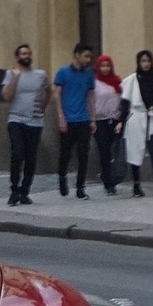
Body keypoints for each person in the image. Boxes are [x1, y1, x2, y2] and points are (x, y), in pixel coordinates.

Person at [0, 43, 49, 206]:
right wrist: (15, 77)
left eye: (28, 53)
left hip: (35, 121)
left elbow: (49, 90)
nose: (26, 56)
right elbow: (6, 96)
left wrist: (43, 105)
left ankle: (25, 191)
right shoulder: (10, 73)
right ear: (17, 57)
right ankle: (14, 190)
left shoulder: (40, 75)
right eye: (23, 54)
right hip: (16, 119)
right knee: (17, 152)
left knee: (30, 157)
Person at [120, 50, 153, 197]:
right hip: (136, 116)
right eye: (143, 61)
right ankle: (136, 185)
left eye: (148, 61)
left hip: (151, 116)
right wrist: (121, 121)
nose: (146, 64)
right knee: (135, 151)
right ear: (138, 62)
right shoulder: (132, 80)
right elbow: (124, 102)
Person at [53, 42, 96, 199]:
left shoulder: (89, 74)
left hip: (83, 119)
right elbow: (57, 94)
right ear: (77, 55)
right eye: (86, 56)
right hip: (68, 119)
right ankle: (62, 176)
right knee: (66, 153)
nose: (88, 59)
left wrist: (93, 119)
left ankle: (80, 188)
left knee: (83, 154)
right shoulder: (63, 72)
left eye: (89, 56)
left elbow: (91, 96)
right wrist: (60, 116)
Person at [92, 54, 124, 195]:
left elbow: (123, 100)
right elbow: (91, 102)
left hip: (115, 120)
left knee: (114, 150)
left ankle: (109, 175)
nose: (105, 69)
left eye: (108, 65)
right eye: (102, 66)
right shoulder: (94, 83)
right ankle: (109, 183)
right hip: (100, 120)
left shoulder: (117, 81)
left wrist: (121, 119)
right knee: (104, 150)